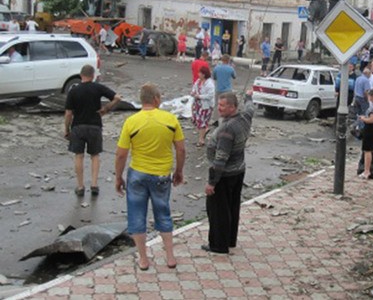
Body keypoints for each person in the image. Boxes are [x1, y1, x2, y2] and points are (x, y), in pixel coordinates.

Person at [114, 83, 185, 271]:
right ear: (155, 99)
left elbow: (121, 154)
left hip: (137, 174)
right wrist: (179, 171)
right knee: (163, 213)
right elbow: (181, 149)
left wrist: (118, 177)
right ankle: (170, 257)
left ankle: (144, 259)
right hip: (162, 174)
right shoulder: (170, 120)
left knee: (136, 215)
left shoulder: (132, 122)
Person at [202, 91, 255, 254]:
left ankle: (218, 245)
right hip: (238, 171)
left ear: (232, 107)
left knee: (218, 211)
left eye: (223, 106)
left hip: (224, 175)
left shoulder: (227, 129)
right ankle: (230, 239)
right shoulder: (245, 117)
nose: (219, 108)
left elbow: (220, 158)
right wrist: (249, 97)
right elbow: (250, 108)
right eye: (218, 105)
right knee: (232, 207)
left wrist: (212, 182)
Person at [64, 64, 121, 196]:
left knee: (79, 155)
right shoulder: (98, 88)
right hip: (95, 126)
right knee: (95, 155)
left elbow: (68, 113)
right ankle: (94, 185)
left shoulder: (74, 91)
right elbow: (117, 98)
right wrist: (106, 109)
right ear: (93, 75)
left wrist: (66, 130)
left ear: (81, 75)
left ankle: (80, 186)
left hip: (78, 127)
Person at [191, 66, 215, 147]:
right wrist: (193, 93)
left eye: (200, 73)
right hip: (198, 104)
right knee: (196, 120)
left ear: (204, 74)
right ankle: (205, 130)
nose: (198, 74)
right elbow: (194, 88)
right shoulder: (198, 81)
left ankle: (201, 140)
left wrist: (200, 96)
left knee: (201, 122)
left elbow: (210, 95)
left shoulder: (210, 84)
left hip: (206, 106)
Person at [212, 54, 237, 124]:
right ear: (228, 60)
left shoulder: (217, 68)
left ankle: (216, 119)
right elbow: (234, 76)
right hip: (227, 89)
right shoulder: (230, 68)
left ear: (222, 60)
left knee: (218, 104)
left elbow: (214, 77)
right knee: (228, 104)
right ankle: (226, 118)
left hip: (219, 88)